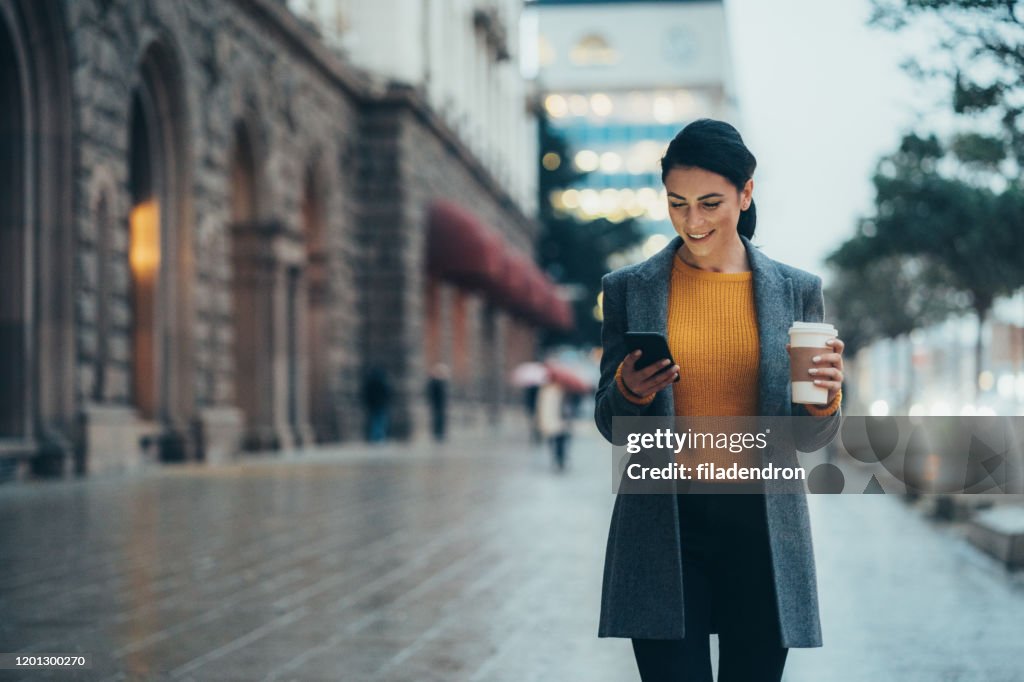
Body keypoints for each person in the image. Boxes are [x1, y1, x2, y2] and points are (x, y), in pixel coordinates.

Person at [594, 119, 845, 682]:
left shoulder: (796, 290)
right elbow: (611, 423)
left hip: (762, 528)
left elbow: (811, 439)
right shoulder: (629, 289)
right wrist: (629, 395)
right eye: (677, 203)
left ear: (746, 192)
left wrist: (824, 402)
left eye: (710, 203)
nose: (693, 221)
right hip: (663, 524)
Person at [535, 379, 571, 470]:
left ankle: (559, 459)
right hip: (554, 421)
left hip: (557, 421)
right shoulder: (554, 391)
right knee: (557, 441)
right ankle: (558, 459)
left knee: (558, 442)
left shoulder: (559, 390)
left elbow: (540, 407)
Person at [362, 366, 392, 443]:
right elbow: (387, 393)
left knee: (375, 421)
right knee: (380, 421)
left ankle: (375, 437)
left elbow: (365, 394)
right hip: (381, 404)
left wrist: (367, 403)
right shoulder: (382, 381)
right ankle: (379, 437)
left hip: (372, 405)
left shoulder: (370, 382)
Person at [426, 363, 450, 442]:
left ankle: (440, 434)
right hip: (437, 405)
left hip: (439, 405)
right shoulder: (434, 382)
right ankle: (438, 435)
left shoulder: (440, 382)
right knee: (437, 420)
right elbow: (432, 394)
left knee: (440, 420)